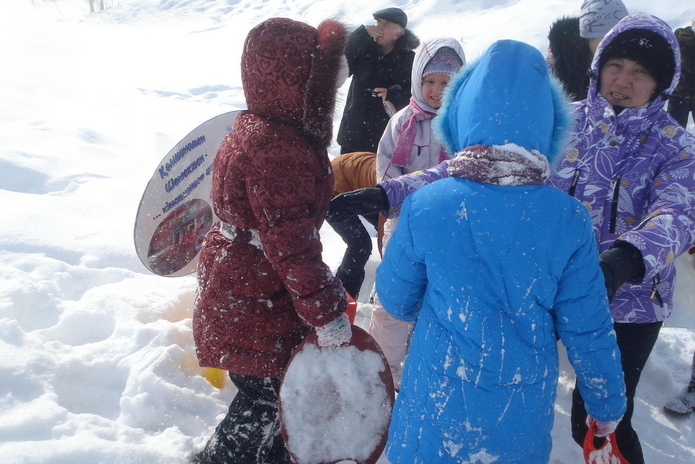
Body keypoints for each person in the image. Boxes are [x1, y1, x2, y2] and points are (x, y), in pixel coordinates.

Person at [330, 13, 695, 464]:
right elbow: (476, 164)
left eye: (640, 72)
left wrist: (624, 260)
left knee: (600, 421)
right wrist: (390, 189)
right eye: (615, 66)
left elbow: (677, 215)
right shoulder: (567, 119)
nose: (623, 79)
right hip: (540, 278)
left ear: (662, 83)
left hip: (630, 296)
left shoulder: (675, 146)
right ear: (597, 67)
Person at [375, 39, 626, 464]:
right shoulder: (568, 219)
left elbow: (396, 300)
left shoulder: (428, 204)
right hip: (518, 410)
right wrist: (607, 405)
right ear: (548, 126)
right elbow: (588, 327)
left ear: (459, 117)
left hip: (435, 402)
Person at [191, 18, 352, 464]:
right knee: (266, 398)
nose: (328, 93)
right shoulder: (277, 148)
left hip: (244, 288)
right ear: (294, 81)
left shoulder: (258, 127)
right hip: (255, 297)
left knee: (271, 396)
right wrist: (327, 311)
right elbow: (292, 244)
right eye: (318, 80)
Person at [371, 37, 465, 388]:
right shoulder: (401, 121)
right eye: (430, 82)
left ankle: (424, 365)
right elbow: (386, 169)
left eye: (446, 83)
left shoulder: (462, 123)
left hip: (449, 231)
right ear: (417, 80)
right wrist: (400, 203)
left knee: (436, 300)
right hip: (404, 225)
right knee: (393, 297)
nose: (437, 90)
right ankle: (383, 367)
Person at [336, 7, 420, 154]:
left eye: (386, 24)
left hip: (384, 140)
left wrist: (392, 95)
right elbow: (339, 69)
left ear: (398, 34)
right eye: (378, 21)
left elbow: (416, 98)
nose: (378, 26)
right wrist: (359, 36)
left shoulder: (410, 60)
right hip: (352, 135)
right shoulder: (364, 49)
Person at [545, 0, 627, 101]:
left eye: (619, 39)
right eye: (605, 38)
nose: (612, 45)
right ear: (589, 37)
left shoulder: (629, 59)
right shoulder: (563, 62)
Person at [668, 18, 695, 127]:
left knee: (671, 133)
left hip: (678, 92)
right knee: (671, 133)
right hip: (679, 94)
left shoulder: (677, 39)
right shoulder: (678, 40)